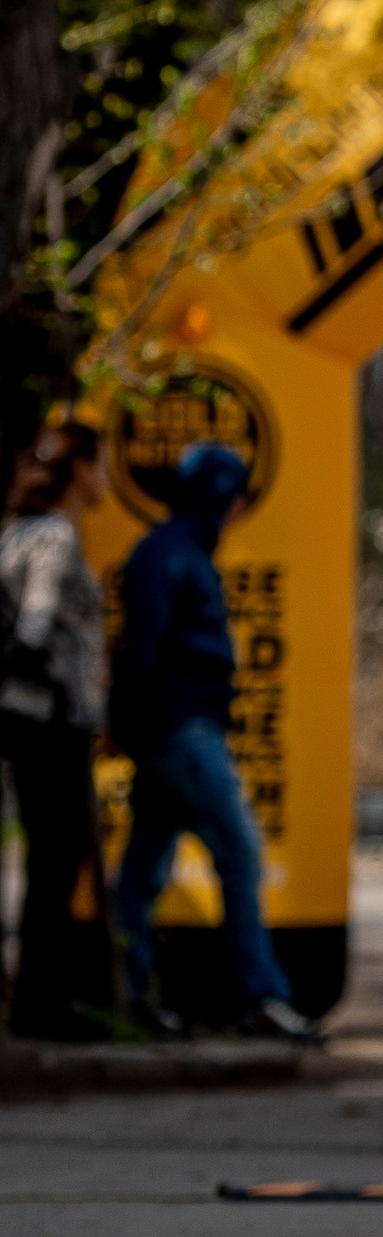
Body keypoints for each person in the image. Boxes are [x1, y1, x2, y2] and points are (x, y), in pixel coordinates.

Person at [108, 442, 317, 1044]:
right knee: (240, 851)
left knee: (144, 869)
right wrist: (135, 726)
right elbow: (142, 649)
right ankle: (263, 995)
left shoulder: (176, 552)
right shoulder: (170, 557)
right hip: (181, 731)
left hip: (171, 731)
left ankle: (132, 993)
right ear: (224, 496)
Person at [0, 422, 116, 1039]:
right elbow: (38, 621)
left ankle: (37, 1003)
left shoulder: (17, 530)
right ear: (81, 469)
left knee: (47, 860)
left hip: (28, 720)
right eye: (102, 465)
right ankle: (41, 1008)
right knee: (54, 862)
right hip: (50, 722)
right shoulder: (56, 537)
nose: (107, 479)